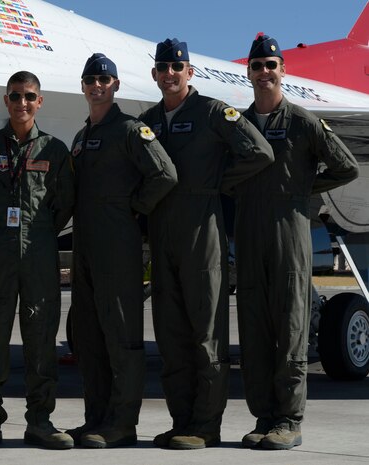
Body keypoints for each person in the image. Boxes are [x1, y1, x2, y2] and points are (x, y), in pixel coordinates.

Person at [139, 38, 275, 450]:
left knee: (205, 334)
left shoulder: (214, 112)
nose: (170, 75)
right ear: (155, 74)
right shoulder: (147, 121)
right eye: (163, 68)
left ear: (189, 72)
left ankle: (206, 425)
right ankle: (182, 420)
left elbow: (260, 152)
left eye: (177, 68)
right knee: (171, 333)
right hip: (163, 235)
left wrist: (219, 185)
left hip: (203, 232)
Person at [235, 34, 359, 450]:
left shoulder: (303, 122)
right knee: (253, 330)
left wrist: (304, 189)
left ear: (282, 71)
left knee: (290, 329)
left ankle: (289, 419)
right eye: (258, 66)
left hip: (290, 235)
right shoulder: (239, 123)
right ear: (249, 73)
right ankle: (264, 416)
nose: (264, 72)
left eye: (271, 64)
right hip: (250, 235)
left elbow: (346, 166)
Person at [67, 53, 178, 449]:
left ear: (115, 85)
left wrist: (134, 208)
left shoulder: (131, 130)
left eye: (104, 79)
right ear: (83, 86)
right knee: (90, 338)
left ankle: (122, 422)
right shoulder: (81, 138)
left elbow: (165, 174)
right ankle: (95, 418)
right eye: (91, 79)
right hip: (85, 249)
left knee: (121, 338)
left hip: (117, 248)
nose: (97, 85)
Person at [0, 71, 75, 450]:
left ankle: (40, 420)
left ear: (39, 101)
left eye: (29, 96)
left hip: (39, 253)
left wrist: (35, 232)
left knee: (41, 337)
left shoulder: (54, 150)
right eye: (15, 96)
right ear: (6, 101)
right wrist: (0, 233)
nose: (22, 103)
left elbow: (64, 206)